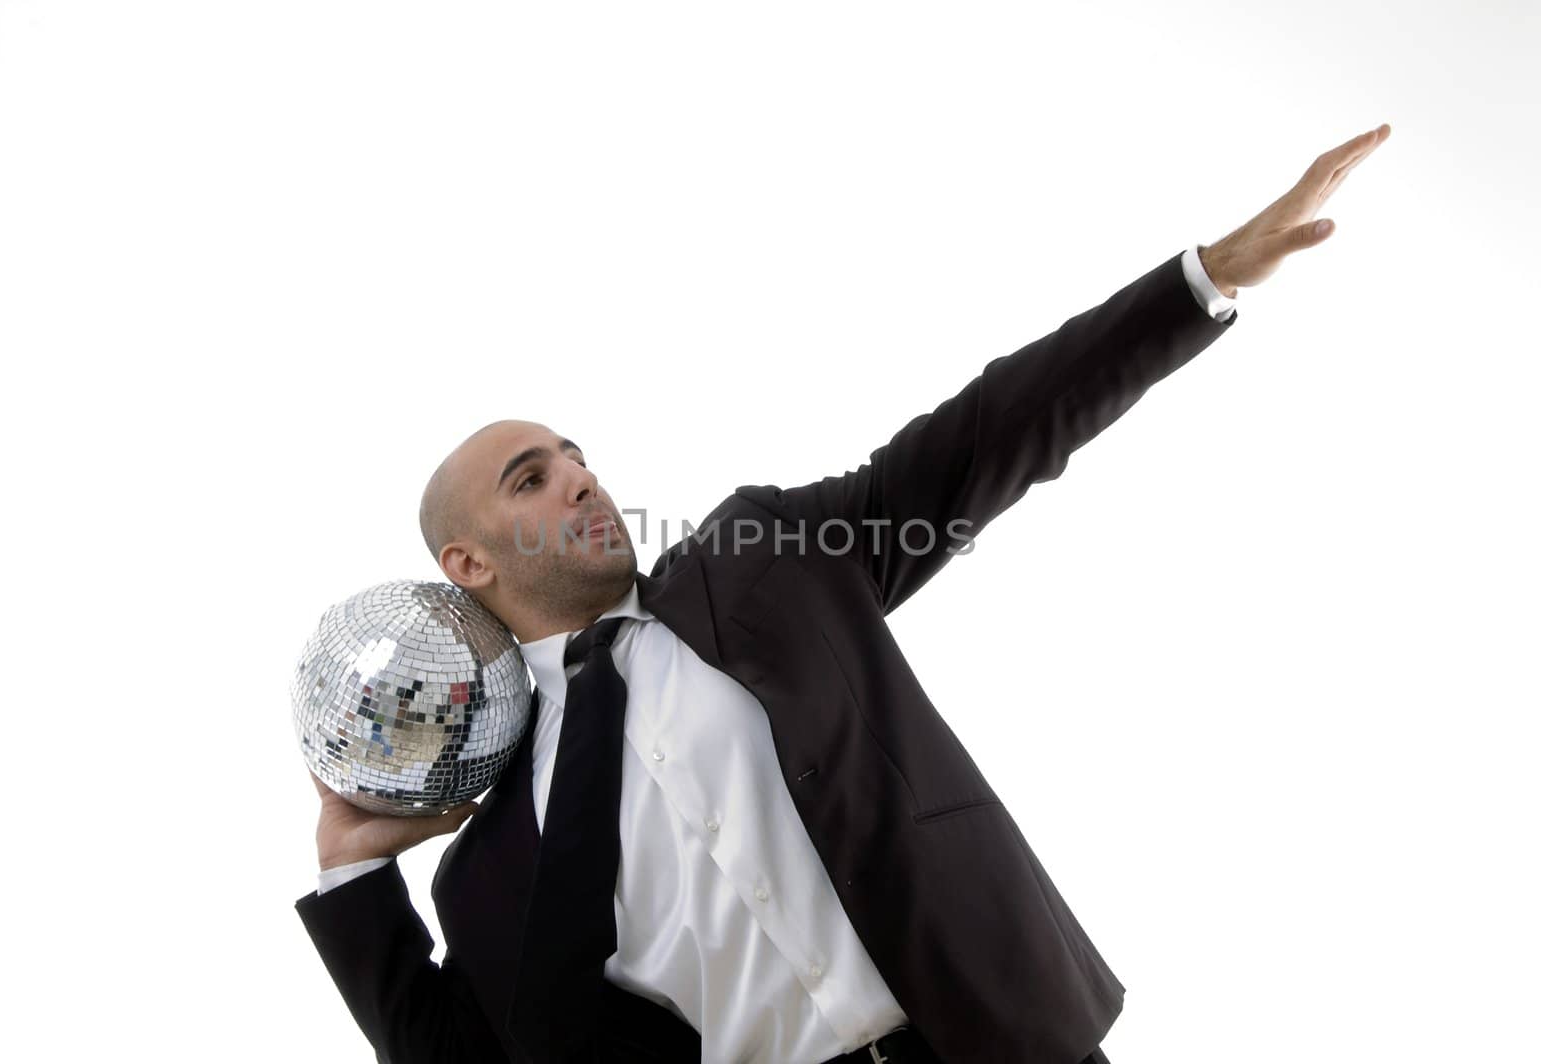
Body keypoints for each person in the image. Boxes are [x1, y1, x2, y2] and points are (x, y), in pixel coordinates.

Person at [295, 124, 1392, 1064]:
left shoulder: (763, 558)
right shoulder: (493, 863)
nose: (579, 473)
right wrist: (350, 875)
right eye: (528, 477)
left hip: (995, 1037)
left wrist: (1204, 279)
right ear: (468, 562)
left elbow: (981, 437)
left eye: (574, 452)